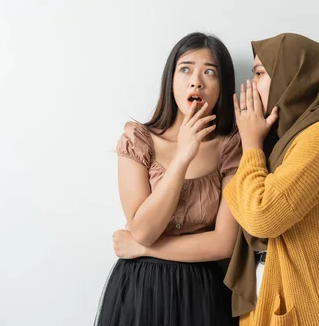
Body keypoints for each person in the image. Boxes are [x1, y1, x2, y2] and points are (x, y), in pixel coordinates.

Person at [223, 33, 319, 325]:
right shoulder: (283, 143)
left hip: (312, 311)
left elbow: (259, 215)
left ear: (292, 76)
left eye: (259, 74)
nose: (250, 87)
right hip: (273, 298)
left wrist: (251, 145)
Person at [94, 32, 241, 326]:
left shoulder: (231, 147)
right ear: (170, 79)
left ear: (222, 86)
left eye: (209, 72)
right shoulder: (138, 139)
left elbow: (224, 243)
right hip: (140, 291)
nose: (196, 80)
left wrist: (144, 249)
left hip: (202, 294)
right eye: (185, 68)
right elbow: (144, 228)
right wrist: (183, 156)